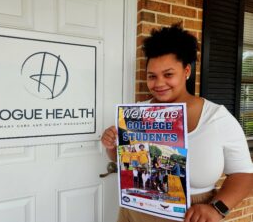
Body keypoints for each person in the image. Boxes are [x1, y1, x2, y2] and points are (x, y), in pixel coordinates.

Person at [101, 23, 253, 222]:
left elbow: (244, 174)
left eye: (168, 74)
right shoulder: (137, 112)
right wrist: (112, 145)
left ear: (187, 71)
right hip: (136, 211)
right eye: (152, 76)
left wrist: (217, 209)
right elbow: (123, 161)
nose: (159, 83)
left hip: (191, 214)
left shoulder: (216, 117)